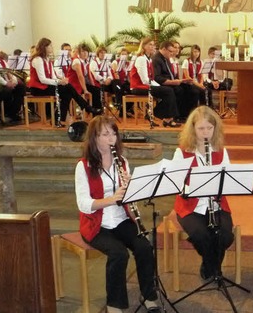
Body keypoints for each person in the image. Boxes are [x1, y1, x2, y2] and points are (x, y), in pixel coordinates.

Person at [74, 116, 159, 313]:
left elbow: (128, 198)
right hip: (96, 224)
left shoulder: (122, 162)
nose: (111, 138)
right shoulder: (84, 166)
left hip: (121, 219)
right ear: (94, 138)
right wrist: (112, 199)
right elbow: (83, 204)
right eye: (105, 134)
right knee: (119, 254)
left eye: (113, 133)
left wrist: (132, 190)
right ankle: (114, 304)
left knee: (144, 247)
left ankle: (149, 295)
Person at [172, 106, 235, 280]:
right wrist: (195, 189)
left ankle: (209, 265)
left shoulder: (221, 151)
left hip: (217, 203)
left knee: (225, 236)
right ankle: (214, 270)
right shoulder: (182, 152)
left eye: (209, 128)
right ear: (192, 129)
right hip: (190, 206)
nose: (205, 132)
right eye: (201, 128)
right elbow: (176, 183)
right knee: (202, 235)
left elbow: (228, 179)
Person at [28, 38, 101, 128]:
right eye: (50, 46)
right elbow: (42, 79)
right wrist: (59, 82)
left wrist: (62, 80)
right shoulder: (38, 59)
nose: (52, 48)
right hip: (38, 88)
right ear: (44, 47)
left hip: (46, 86)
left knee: (67, 91)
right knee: (68, 89)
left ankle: (59, 119)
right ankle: (86, 107)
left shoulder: (47, 60)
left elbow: (53, 77)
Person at [129, 37, 180, 127]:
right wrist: (159, 86)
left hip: (146, 85)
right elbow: (145, 80)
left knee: (168, 90)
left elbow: (150, 79)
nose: (153, 47)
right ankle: (160, 115)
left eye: (153, 45)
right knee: (168, 91)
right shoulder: (141, 59)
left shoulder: (149, 59)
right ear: (144, 46)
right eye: (150, 45)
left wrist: (159, 85)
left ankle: (166, 118)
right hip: (138, 87)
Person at [153, 41, 202, 122]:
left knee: (193, 90)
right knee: (178, 90)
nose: (172, 53)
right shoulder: (156, 59)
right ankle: (177, 115)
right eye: (170, 51)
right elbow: (157, 78)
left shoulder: (165, 58)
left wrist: (181, 81)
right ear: (164, 49)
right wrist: (174, 82)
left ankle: (188, 115)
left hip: (170, 82)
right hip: (161, 84)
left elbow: (170, 75)